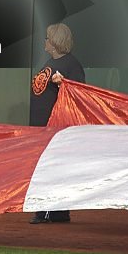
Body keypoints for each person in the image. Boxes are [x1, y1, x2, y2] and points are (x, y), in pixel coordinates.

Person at [29, 22, 85, 225]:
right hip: (42, 125)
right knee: (47, 166)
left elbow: (80, 93)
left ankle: (49, 211)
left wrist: (64, 84)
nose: (44, 41)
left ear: (54, 42)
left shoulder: (71, 65)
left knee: (51, 167)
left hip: (56, 126)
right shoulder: (50, 61)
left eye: (47, 37)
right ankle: (56, 212)